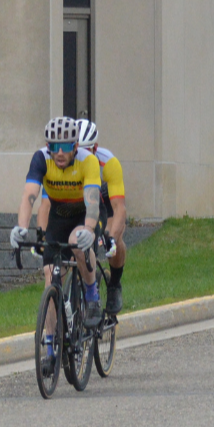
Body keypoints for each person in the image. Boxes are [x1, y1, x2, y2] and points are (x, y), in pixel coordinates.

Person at [11, 116, 103, 305]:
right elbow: (29, 196)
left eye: (66, 147)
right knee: (50, 276)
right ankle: (51, 335)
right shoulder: (41, 158)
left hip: (83, 215)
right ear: (47, 146)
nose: (60, 153)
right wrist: (21, 227)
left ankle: (92, 293)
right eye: (54, 147)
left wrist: (89, 229)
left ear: (76, 146)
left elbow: (93, 202)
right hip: (58, 217)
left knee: (76, 241)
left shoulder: (88, 161)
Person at [76, 118, 127, 324]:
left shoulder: (109, 163)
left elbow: (119, 208)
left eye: (86, 150)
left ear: (95, 148)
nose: (80, 155)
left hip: (105, 199)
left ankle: (114, 284)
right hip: (79, 199)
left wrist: (111, 238)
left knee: (111, 237)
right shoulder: (64, 160)